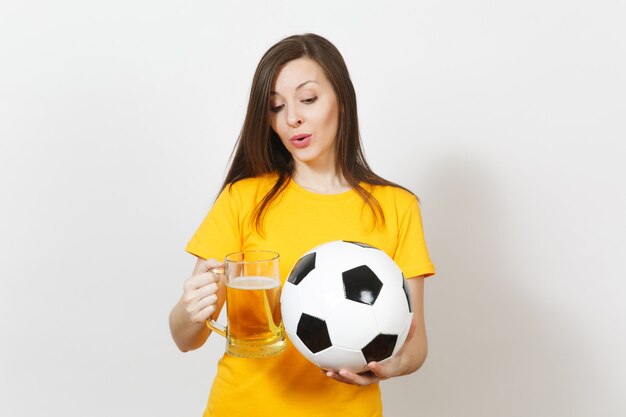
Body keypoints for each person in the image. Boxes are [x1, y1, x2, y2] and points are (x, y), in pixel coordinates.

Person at [169, 33, 435, 417]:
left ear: (341, 99)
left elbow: (416, 342)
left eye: (308, 99)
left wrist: (390, 366)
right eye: (276, 107)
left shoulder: (397, 207)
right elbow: (184, 338)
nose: (292, 117)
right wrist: (189, 310)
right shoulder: (243, 199)